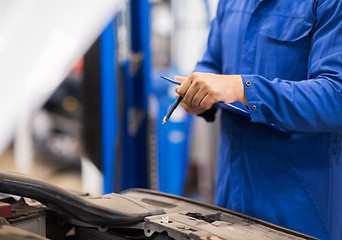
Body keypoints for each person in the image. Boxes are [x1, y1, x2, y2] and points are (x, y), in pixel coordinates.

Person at [175, 0, 342, 239]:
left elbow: (336, 97)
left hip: (301, 203)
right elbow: (211, 62)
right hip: (231, 194)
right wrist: (196, 95)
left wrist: (245, 89)